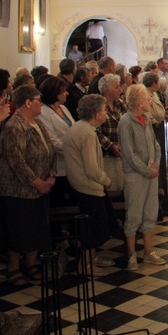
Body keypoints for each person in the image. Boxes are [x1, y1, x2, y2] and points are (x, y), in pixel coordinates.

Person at [0, 86, 56, 286]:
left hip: (41, 185)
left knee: (36, 228)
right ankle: (14, 268)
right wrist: (37, 182)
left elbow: (50, 150)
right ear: (28, 103)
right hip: (18, 189)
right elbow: (16, 161)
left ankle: (31, 263)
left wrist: (51, 176)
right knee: (18, 229)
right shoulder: (14, 126)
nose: (41, 103)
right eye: (38, 100)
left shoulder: (37, 122)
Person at [63, 94, 114, 275]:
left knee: (92, 228)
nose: (106, 113)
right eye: (104, 110)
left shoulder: (80, 127)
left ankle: (92, 260)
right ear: (96, 113)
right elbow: (92, 168)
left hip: (81, 185)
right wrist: (107, 180)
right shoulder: (86, 133)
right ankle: (85, 266)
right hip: (87, 187)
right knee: (91, 229)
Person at [118, 84, 165, 270]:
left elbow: (156, 145)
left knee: (149, 211)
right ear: (139, 102)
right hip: (135, 175)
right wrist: (147, 170)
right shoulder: (126, 122)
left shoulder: (146, 118)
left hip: (150, 173)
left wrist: (156, 165)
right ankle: (131, 255)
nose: (150, 102)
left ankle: (148, 251)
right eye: (147, 99)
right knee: (134, 213)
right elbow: (129, 154)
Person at [36, 77, 75, 216]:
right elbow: (51, 140)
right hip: (57, 165)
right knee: (58, 203)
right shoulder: (44, 112)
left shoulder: (63, 108)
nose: (67, 94)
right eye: (63, 91)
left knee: (72, 202)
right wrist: (73, 150)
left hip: (71, 162)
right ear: (54, 93)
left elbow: (73, 128)